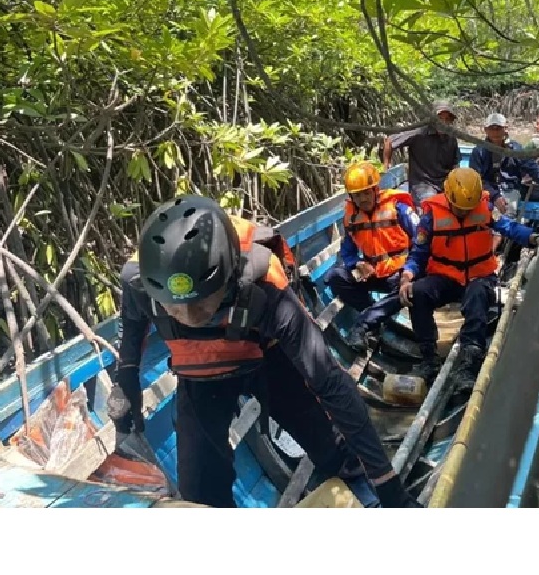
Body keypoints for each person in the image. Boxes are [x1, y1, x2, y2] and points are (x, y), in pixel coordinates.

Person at [106, 194, 419, 508]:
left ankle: (362, 486)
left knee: (329, 445)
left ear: (228, 278)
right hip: (199, 369)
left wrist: (387, 484)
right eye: (174, 306)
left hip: (267, 355)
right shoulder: (141, 285)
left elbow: (329, 381)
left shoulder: (263, 286)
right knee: (199, 490)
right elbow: (130, 353)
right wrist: (126, 385)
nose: (189, 316)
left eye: (201, 304)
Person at [395, 168, 539, 389]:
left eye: (468, 209)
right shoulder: (431, 217)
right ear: (448, 197)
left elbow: (509, 227)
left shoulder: (486, 209)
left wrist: (533, 238)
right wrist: (407, 277)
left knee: (477, 293)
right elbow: (418, 254)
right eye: (460, 208)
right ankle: (429, 357)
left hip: (479, 276)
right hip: (446, 277)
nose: (464, 213)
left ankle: (469, 359)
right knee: (418, 292)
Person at [324, 161, 418, 353]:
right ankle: (376, 318)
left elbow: (421, 244)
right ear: (351, 197)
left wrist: (409, 271)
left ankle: (366, 322)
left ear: (376, 190)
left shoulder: (399, 209)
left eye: (367, 192)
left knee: (410, 290)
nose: (363, 198)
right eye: (358, 195)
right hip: (373, 273)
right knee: (334, 277)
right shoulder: (351, 217)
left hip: (400, 273)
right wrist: (358, 263)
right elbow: (347, 252)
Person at [468, 112, 539, 216]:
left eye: (498, 128)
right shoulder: (479, 151)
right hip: (487, 190)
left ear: (505, 128)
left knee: (507, 212)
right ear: (486, 130)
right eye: (491, 128)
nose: (495, 132)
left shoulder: (515, 149)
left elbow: (532, 168)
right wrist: (495, 196)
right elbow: (476, 179)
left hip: (510, 189)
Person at [383, 100, 462, 208]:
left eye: (447, 119)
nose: (443, 122)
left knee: (463, 202)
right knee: (432, 205)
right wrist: (386, 166)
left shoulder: (451, 138)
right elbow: (390, 141)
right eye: (440, 118)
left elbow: (455, 163)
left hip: (445, 183)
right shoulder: (419, 132)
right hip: (422, 184)